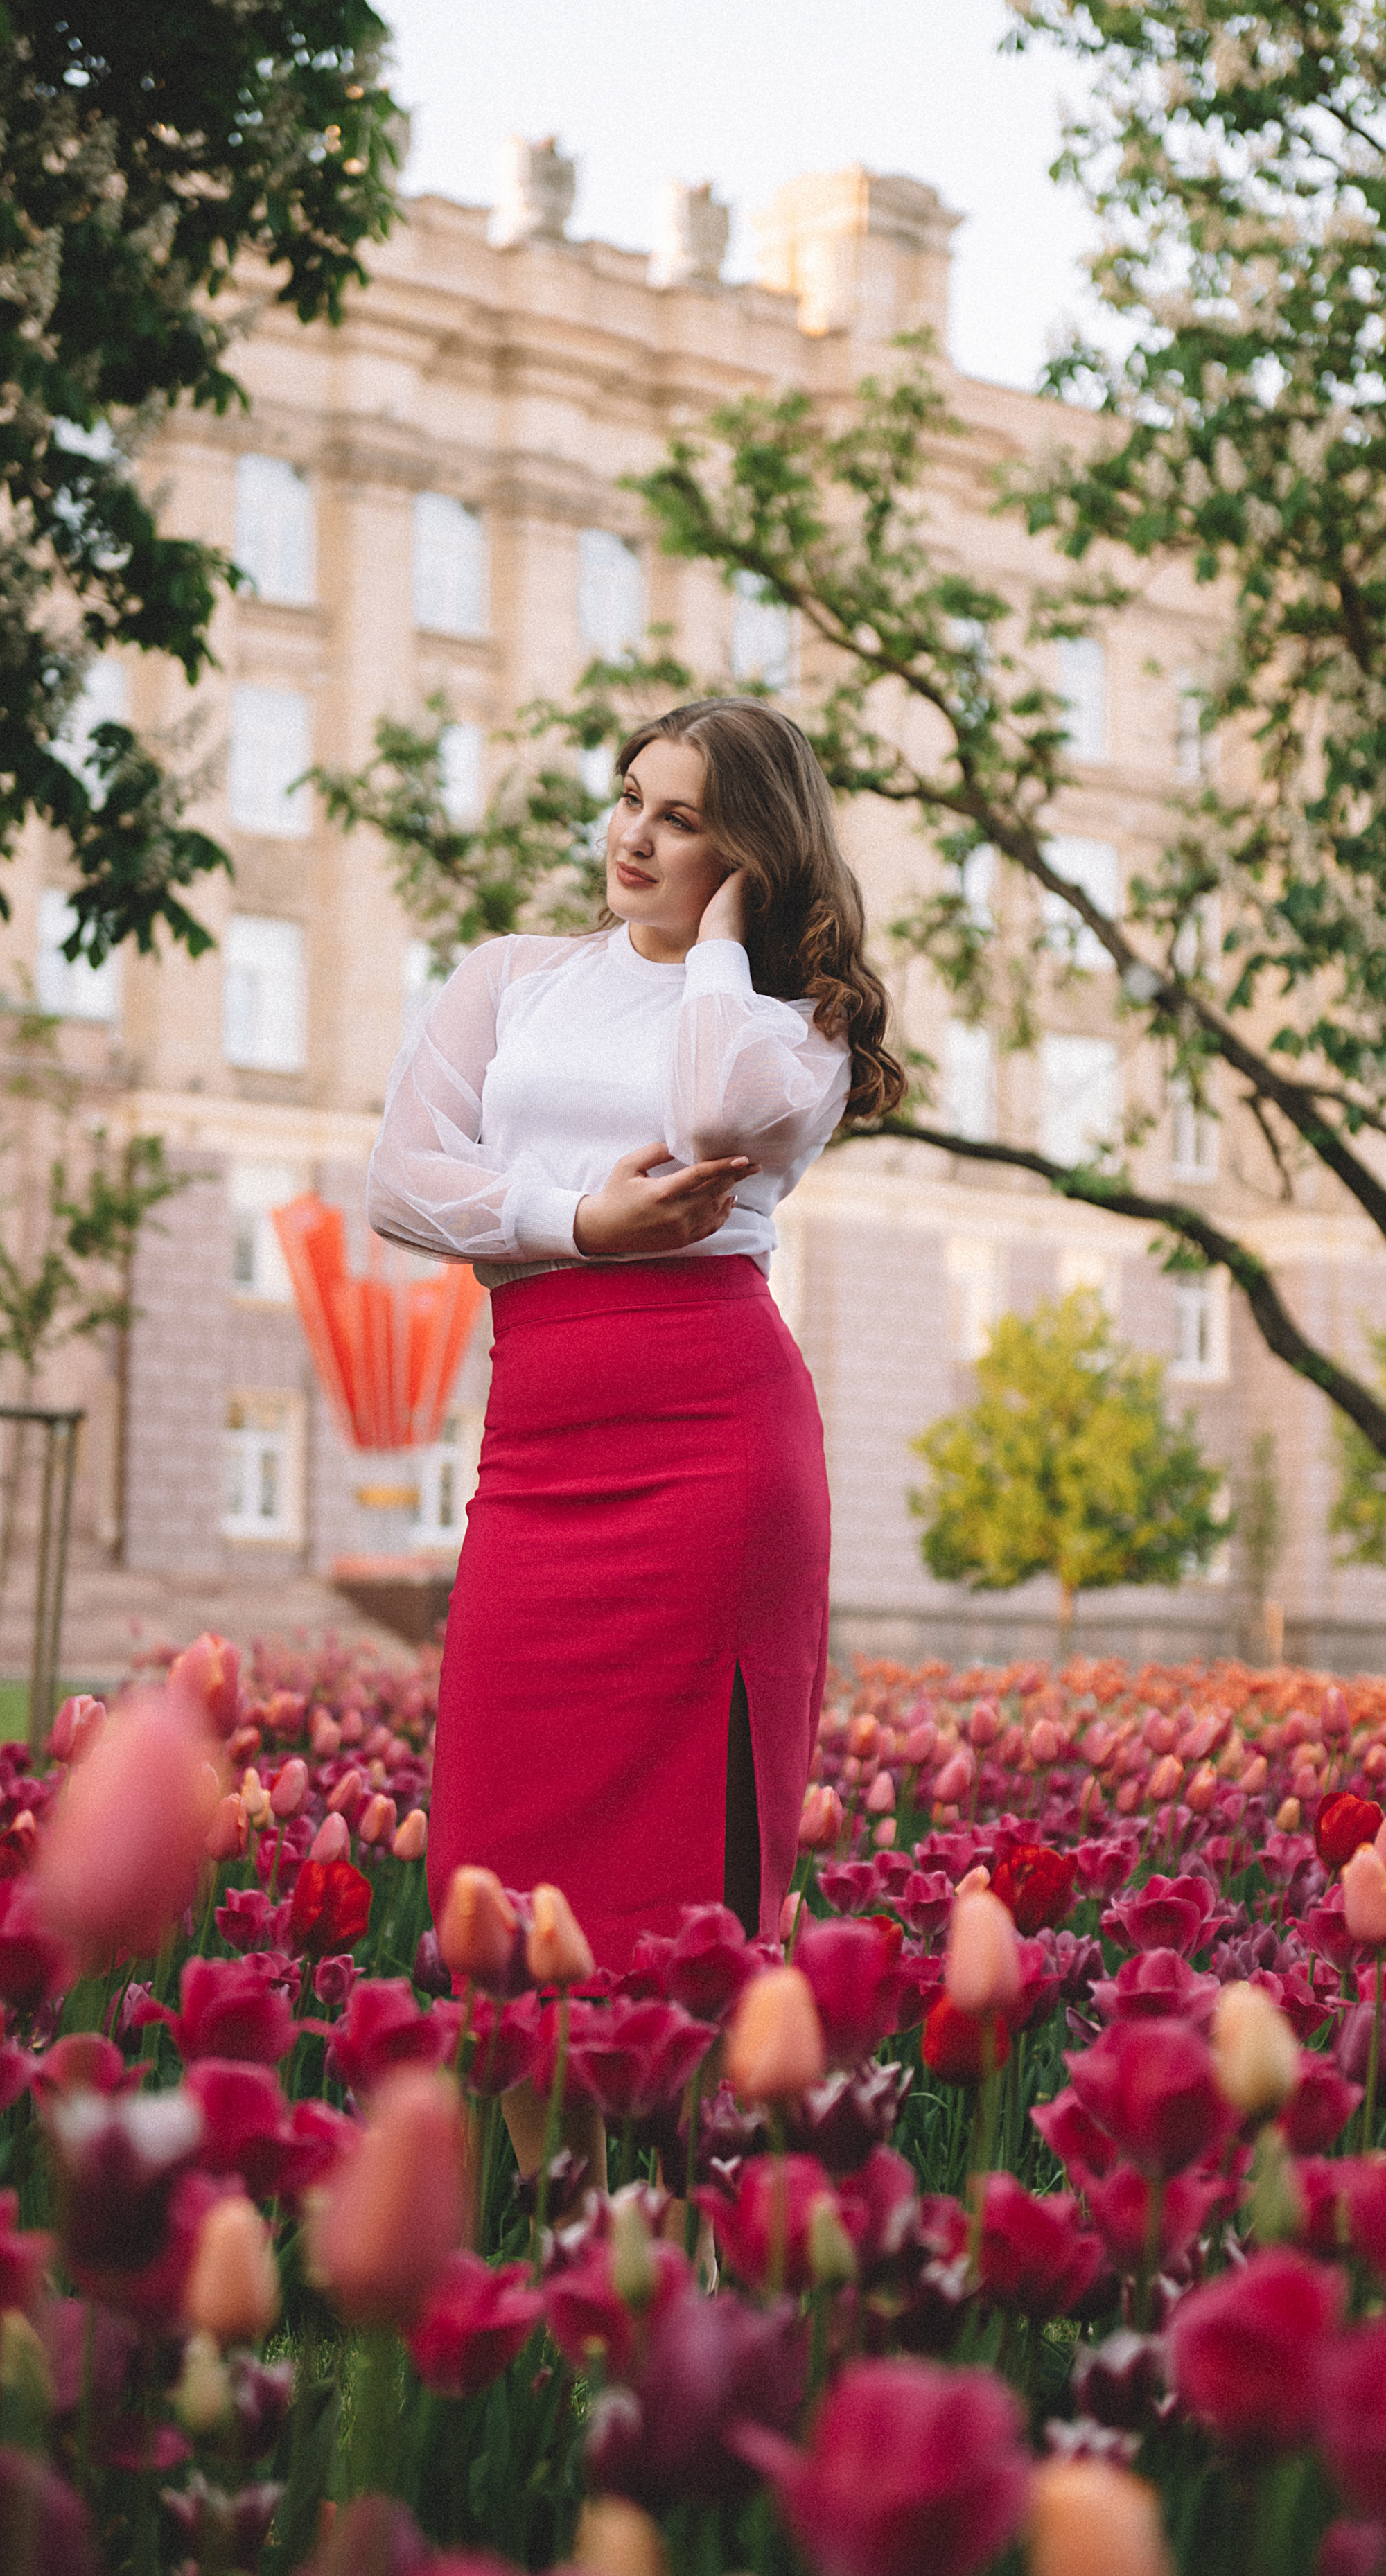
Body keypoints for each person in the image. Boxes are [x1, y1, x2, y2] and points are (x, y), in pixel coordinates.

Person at [366, 696, 904, 2180]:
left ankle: (657, 2228)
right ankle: (551, 2207)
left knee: (682, 1875)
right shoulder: (513, 978)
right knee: (497, 1847)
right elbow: (404, 1180)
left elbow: (714, 1103)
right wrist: (573, 1221)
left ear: (747, 851)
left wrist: (722, 945)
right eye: (626, 798)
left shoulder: (791, 1026)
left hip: (714, 1442)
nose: (630, 835)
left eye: (679, 818)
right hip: (540, 1441)